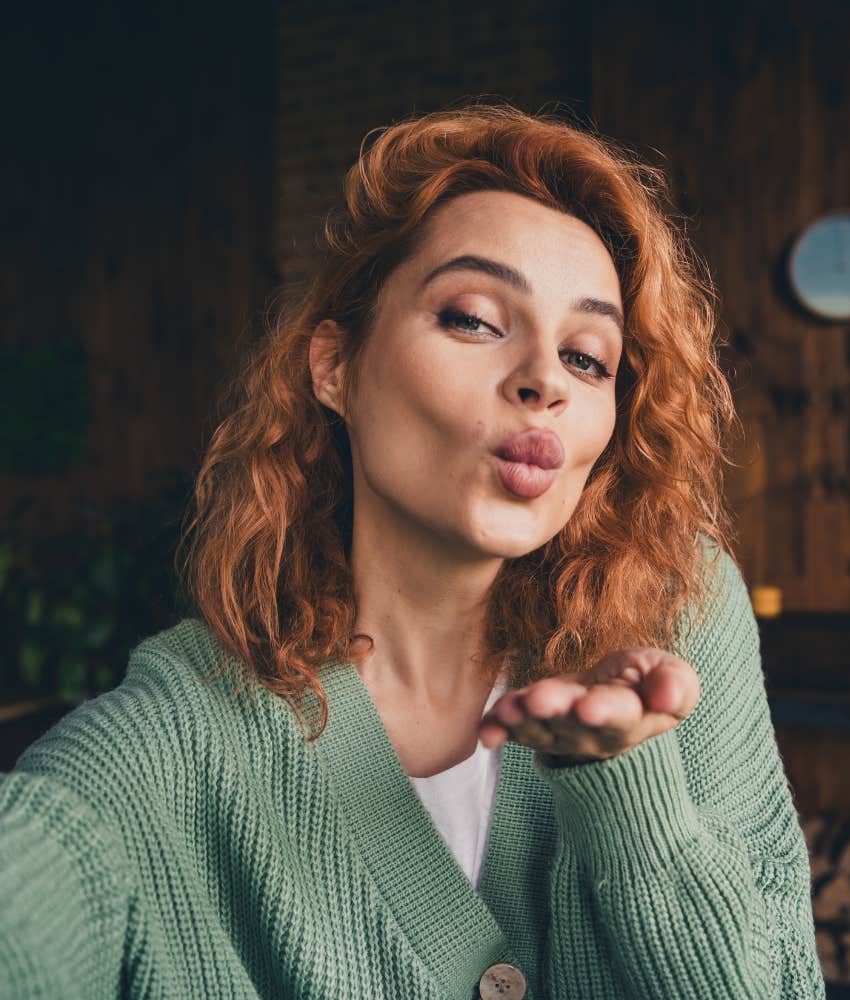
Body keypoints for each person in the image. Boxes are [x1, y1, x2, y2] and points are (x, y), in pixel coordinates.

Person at [0, 101, 825, 999]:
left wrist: (630, 795)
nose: (545, 378)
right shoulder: (178, 731)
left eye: (589, 357)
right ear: (334, 368)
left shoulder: (678, 605)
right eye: (473, 317)